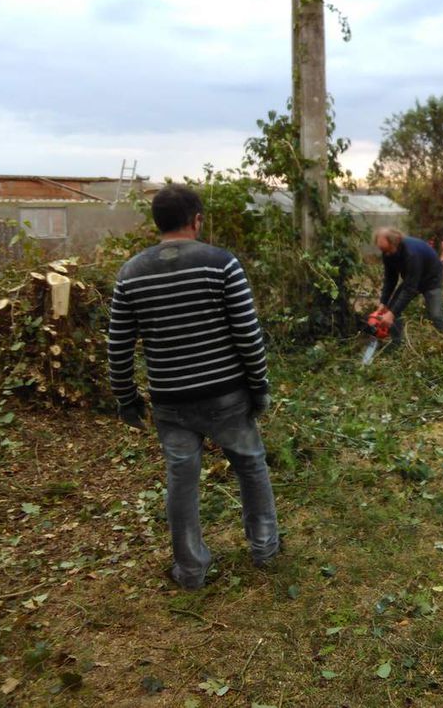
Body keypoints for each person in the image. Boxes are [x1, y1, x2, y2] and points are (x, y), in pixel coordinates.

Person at [108, 185, 280, 590]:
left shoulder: (130, 274)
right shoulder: (222, 264)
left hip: (171, 402)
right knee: (251, 466)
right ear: (197, 220)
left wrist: (126, 398)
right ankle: (265, 547)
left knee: (181, 480)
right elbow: (247, 335)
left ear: (157, 223)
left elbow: (118, 345)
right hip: (226, 395)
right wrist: (259, 387)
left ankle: (189, 570)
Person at [373, 227, 443, 339]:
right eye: (383, 251)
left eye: (387, 250)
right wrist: (383, 302)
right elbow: (390, 279)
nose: (386, 255)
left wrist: (391, 314)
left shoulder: (411, 253)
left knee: (435, 315)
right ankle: (396, 344)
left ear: (395, 243)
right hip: (411, 277)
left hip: (431, 279)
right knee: (391, 308)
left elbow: (410, 289)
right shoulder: (387, 253)